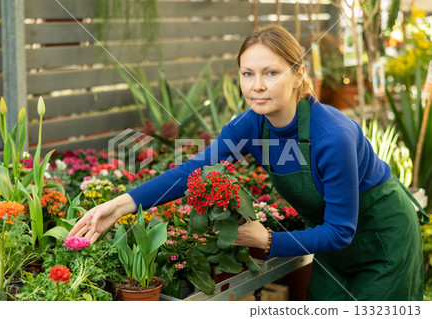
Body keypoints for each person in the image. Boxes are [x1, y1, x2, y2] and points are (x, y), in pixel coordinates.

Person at [69, 24, 428, 301]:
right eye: (247, 73)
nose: (257, 86)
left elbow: (341, 230)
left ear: (299, 73)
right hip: (331, 249)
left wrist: (268, 240)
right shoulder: (252, 123)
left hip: (382, 242)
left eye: (271, 73)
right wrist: (122, 204)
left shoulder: (332, 136)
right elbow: (194, 168)